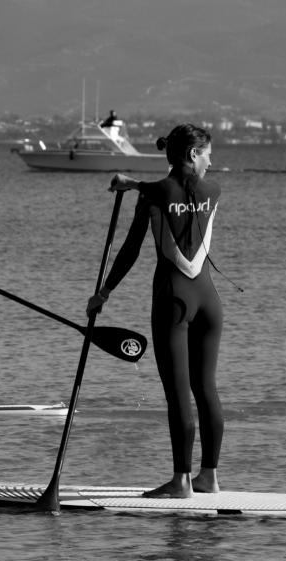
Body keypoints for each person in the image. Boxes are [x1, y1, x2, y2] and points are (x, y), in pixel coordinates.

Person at [87, 123, 224, 498]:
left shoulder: (154, 194)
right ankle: (208, 476)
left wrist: (105, 292)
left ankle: (181, 482)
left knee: (179, 393)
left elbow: (131, 248)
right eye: (208, 154)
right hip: (210, 302)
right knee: (206, 389)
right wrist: (134, 183)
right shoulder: (213, 191)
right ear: (192, 154)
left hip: (173, 301)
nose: (211, 162)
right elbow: (177, 188)